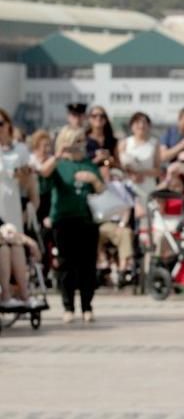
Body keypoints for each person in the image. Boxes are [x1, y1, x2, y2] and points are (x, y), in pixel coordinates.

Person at [36, 126, 104, 323]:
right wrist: (58, 154)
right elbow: (43, 174)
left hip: (87, 220)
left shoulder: (89, 165)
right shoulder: (59, 164)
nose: (79, 146)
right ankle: (68, 306)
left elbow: (102, 191)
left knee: (87, 265)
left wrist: (94, 180)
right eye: (75, 142)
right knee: (66, 265)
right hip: (64, 221)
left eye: (81, 141)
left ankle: (87, 306)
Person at [1, 108, 32, 234]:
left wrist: (22, 174)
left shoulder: (21, 149)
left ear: (8, 124)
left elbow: (26, 185)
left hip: (12, 201)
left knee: (15, 244)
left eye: (1, 123)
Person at [118, 111, 161, 200]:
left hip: (147, 186)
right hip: (129, 184)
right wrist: (131, 175)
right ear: (132, 126)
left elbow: (158, 171)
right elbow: (119, 166)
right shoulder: (124, 143)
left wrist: (141, 173)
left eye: (144, 123)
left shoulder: (154, 143)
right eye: (137, 122)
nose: (141, 126)